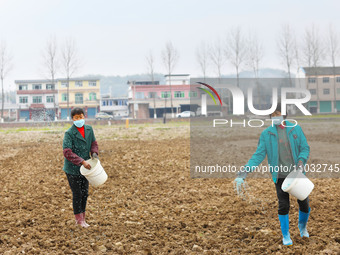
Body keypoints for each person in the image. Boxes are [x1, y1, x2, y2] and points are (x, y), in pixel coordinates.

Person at [234, 103, 311, 246]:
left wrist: (301, 162)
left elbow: (304, 148)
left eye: (278, 114)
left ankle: (303, 227)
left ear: (284, 115)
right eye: (273, 115)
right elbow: (258, 155)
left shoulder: (295, 129)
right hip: (280, 176)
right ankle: (286, 235)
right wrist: (245, 170)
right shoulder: (266, 134)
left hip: (296, 174)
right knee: (283, 205)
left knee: (304, 203)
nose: (276, 117)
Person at [62, 108, 99, 228]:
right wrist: (81, 161)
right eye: (76, 117)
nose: (79, 119)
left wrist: (94, 153)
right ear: (72, 119)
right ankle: (79, 220)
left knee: (85, 193)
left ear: (84, 116)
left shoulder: (89, 129)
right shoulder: (69, 133)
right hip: (73, 168)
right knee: (77, 193)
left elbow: (93, 143)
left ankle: (83, 218)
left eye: (81, 116)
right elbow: (67, 152)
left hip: (87, 167)